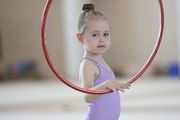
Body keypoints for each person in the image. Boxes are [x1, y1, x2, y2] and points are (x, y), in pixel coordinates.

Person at [76, 4, 131, 120]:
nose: (101, 39)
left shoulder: (101, 61)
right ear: (80, 38)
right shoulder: (88, 65)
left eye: (105, 34)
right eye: (95, 35)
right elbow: (87, 96)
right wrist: (106, 84)